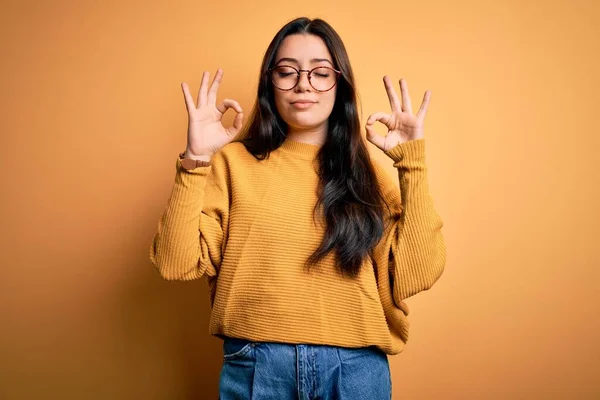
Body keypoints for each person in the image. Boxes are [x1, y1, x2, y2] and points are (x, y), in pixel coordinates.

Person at [150, 16, 446, 400]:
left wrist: (412, 163)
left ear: (340, 85)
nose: (304, 83)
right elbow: (175, 263)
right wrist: (195, 160)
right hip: (257, 364)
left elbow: (417, 273)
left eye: (321, 73)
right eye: (287, 71)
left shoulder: (366, 171)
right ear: (269, 83)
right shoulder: (232, 163)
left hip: (356, 369)